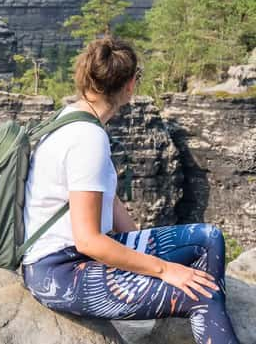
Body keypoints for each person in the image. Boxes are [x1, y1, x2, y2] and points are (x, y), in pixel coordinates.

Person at [20, 36, 241, 344]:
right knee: (203, 293)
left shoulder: (70, 117)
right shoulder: (86, 139)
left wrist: (138, 248)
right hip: (62, 273)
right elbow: (89, 242)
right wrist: (164, 270)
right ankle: (204, 312)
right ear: (129, 86)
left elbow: (106, 197)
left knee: (209, 238)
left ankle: (202, 324)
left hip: (74, 258)